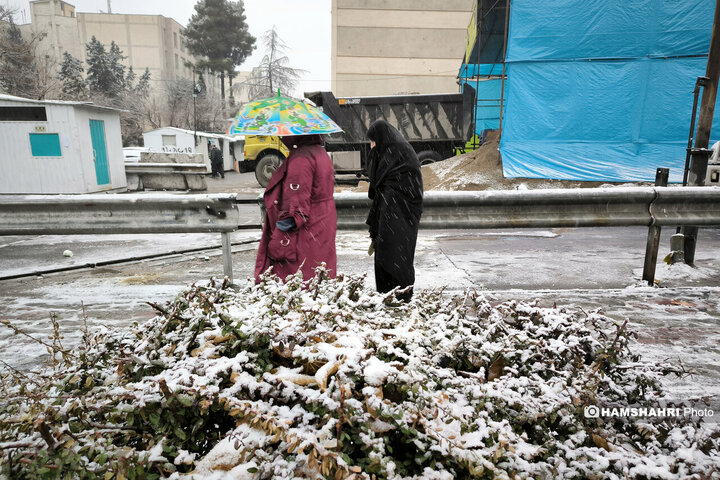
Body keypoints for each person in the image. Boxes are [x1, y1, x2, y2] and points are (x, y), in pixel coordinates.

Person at [254, 134, 337, 282]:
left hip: (306, 229)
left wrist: (283, 226)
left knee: (300, 275)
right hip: (323, 220)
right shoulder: (320, 152)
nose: (281, 137)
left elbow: (297, 204)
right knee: (320, 271)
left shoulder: (301, 158)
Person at [365, 120, 423, 302]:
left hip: (399, 212)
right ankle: (390, 294)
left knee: (394, 255)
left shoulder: (393, 153)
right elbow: (376, 182)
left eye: (372, 141)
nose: (371, 146)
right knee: (389, 252)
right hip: (395, 210)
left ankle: (398, 296)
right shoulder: (396, 151)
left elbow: (375, 178)